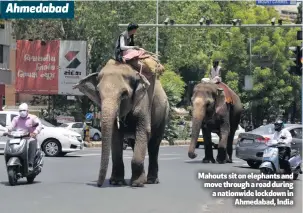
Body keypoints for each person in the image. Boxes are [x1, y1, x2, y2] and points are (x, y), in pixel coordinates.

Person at [7, 103, 42, 172]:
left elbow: (39, 125)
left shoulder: (33, 118)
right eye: (20, 110)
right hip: (19, 138)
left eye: (24, 110)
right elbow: (11, 126)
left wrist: (35, 132)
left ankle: (30, 163)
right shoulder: (16, 119)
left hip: (29, 138)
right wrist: (7, 131)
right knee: (11, 144)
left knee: (32, 142)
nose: (22, 112)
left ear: (27, 111)